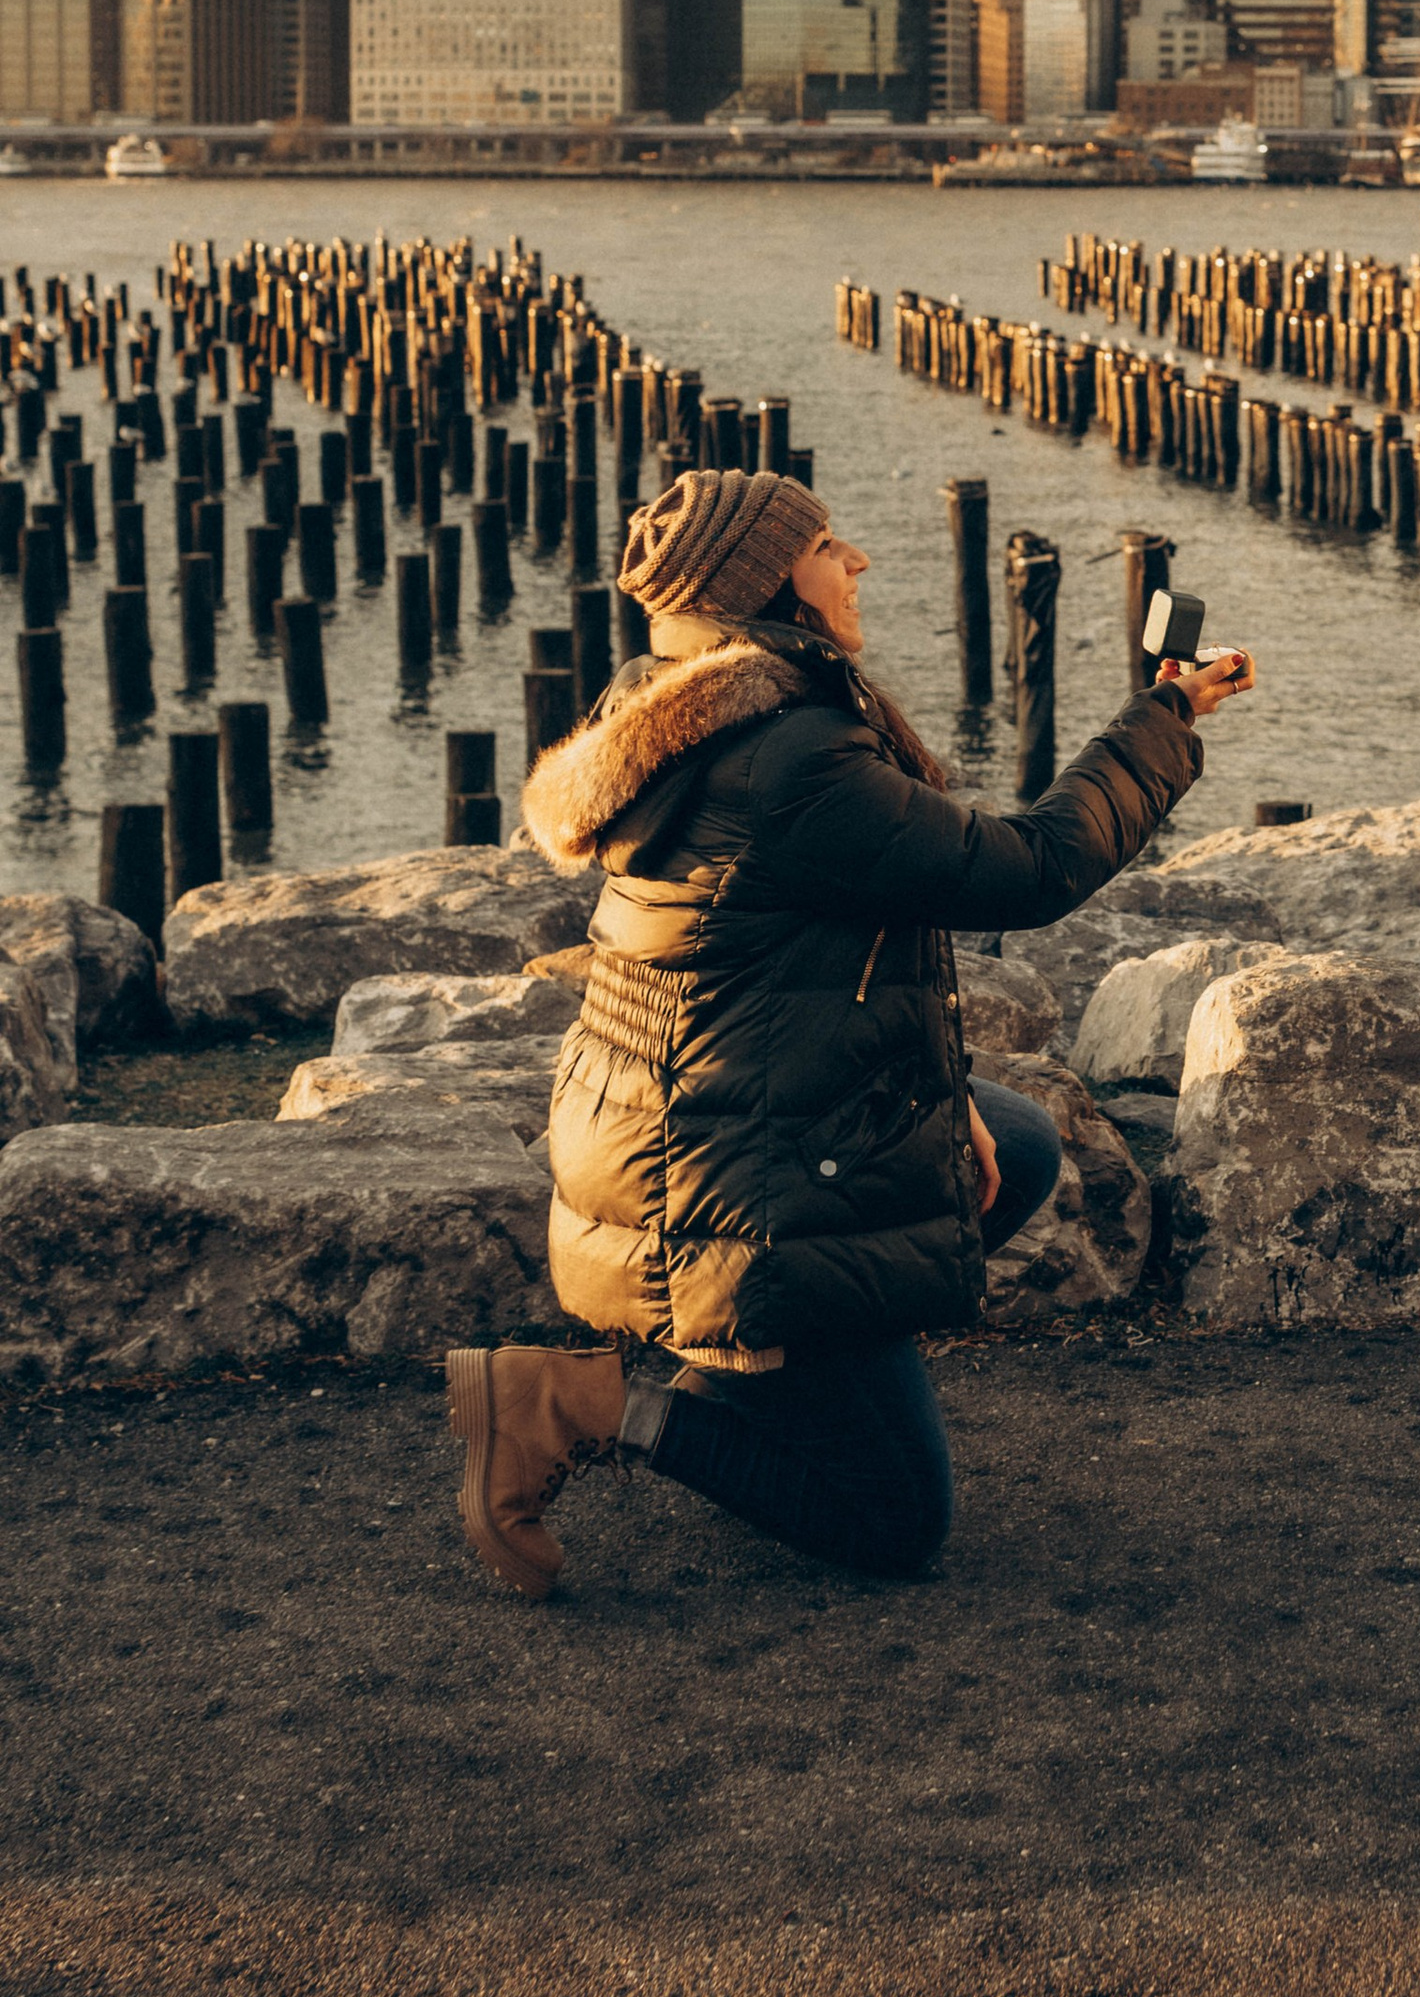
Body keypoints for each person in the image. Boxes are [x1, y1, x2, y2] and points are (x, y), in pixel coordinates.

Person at [444, 464, 1253, 1597]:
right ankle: (583, 1405)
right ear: (769, 584)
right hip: (737, 1180)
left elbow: (800, 977)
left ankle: (764, 1368)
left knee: (1009, 1142)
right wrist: (1164, 721)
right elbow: (1028, 869)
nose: (857, 561)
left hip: (693, 1134)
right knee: (891, 1524)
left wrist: (943, 1102)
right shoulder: (790, 759)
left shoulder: (677, 710)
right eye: (827, 546)